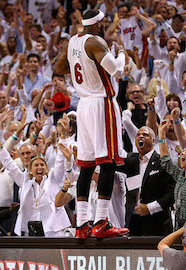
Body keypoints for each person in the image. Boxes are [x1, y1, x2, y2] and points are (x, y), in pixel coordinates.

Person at [55, 9, 128, 239]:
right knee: (108, 162)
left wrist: (83, 67)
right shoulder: (96, 41)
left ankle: (82, 225)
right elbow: (116, 70)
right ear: (97, 24)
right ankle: (101, 222)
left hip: (83, 105)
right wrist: (123, 55)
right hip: (101, 103)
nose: (105, 26)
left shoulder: (73, 42)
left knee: (86, 166)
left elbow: (59, 68)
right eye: (103, 23)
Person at [118, 127, 176, 236]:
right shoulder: (130, 160)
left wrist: (150, 208)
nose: (140, 136)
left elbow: (173, 192)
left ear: (153, 141)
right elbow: (111, 163)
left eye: (145, 135)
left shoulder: (162, 162)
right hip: (133, 222)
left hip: (157, 222)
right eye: (138, 135)